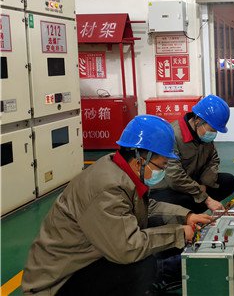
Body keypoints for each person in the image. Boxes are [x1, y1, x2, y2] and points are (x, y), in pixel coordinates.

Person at [21, 114, 211, 296]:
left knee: (159, 235)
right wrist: (178, 234)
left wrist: (186, 217)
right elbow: (126, 248)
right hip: (57, 282)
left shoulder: (120, 169)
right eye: (162, 166)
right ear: (140, 161)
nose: (163, 171)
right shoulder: (107, 188)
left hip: (85, 258)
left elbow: (147, 208)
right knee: (141, 267)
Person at [150, 95, 234, 213]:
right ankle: (189, 213)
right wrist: (206, 198)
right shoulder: (171, 136)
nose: (213, 134)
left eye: (216, 131)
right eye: (212, 130)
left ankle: (192, 209)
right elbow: (174, 177)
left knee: (228, 181)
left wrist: (205, 184)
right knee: (184, 200)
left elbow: (213, 159)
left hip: (193, 183)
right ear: (197, 120)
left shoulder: (203, 134)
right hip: (169, 187)